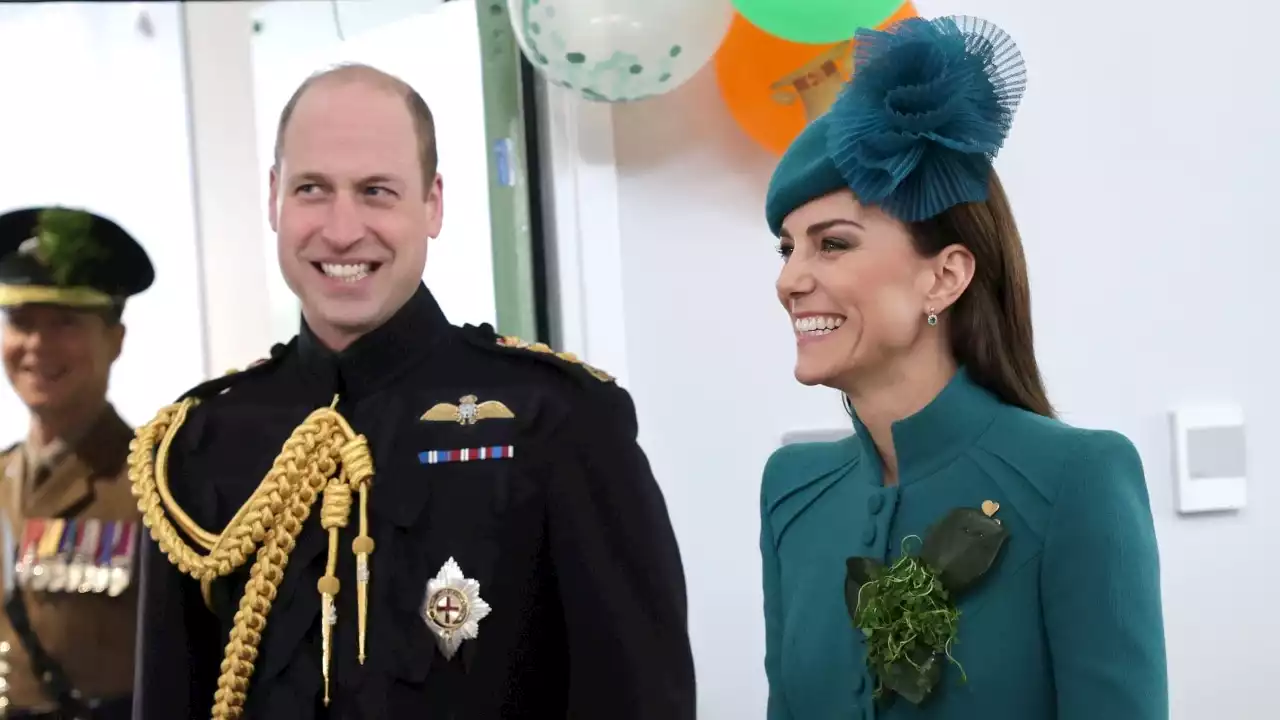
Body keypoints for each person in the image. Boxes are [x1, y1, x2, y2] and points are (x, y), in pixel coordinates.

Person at [130, 63, 695, 720]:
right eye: (313, 189)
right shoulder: (196, 445)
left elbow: (639, 700)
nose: (342, 230)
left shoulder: (555, 419)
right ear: (273, 198)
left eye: (376, 191)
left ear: (433, 204)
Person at [759, 15, 1167, 720]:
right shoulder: (790, 493)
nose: (791, 279)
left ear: (944, 277)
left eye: (832, 244)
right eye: (786, 249)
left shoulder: (1077, 479)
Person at [0, 206, 154, 720]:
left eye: (65, 322)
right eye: (21, 321)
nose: (38, 346)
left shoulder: (155, 484)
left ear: (115, 340)